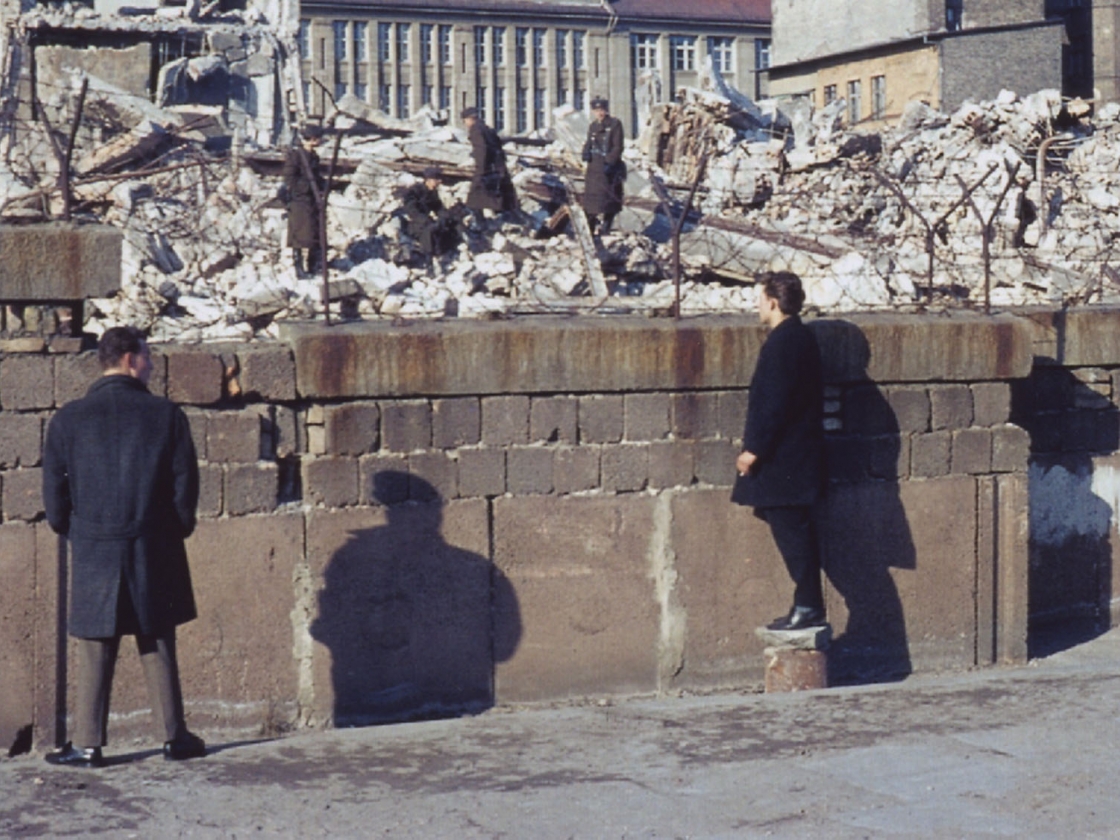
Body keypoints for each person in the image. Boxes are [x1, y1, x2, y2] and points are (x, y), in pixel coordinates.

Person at [41, 326, 205, 767]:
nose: (151, 365)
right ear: (131, 359)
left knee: (96, 643)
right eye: (147, 357)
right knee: (157, 637)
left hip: (94, 543)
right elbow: (184, 486)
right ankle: (174, 738)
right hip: (153, 541)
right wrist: (175, 531)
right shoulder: (167, 415)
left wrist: (74, 531)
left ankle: (89, 744)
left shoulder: (68, 419)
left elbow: (54, 496)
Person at [731, 272, 827, 632]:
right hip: (796, 456)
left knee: (793, 533)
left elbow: (773, 403)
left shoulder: (783, 342)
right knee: (793, 529)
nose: (757, 306)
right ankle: (806, 604)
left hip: (784, 459)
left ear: (772, 301)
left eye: (760, 299)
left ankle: (808, 605)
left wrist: (752, 450)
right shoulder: (798, 336)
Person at [281, 126, 324, 277]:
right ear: (312, 139)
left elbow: (317, 177)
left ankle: (313, 266)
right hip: (299, 200)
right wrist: (306, 187)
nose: (320, 141)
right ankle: (298, 268)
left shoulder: (314, 157)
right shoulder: (296, 156)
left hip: (312, 200)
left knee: (316, 233)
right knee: (298, 236)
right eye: (318, 138)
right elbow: (289, 178)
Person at [461, 107, 517, 217]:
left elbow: (482, 150)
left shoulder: (476, 130)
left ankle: (478, 221)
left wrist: (480, 171)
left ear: (468, 119)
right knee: (500, 196)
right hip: (498, 168)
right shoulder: (487, 129)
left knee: (475, 197)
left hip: (487, 169)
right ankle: (507, 217)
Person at [581, 97, 625, 236]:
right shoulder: (593, 126)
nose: (600, 113)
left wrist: (610, 162)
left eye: (602, 110)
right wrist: (585, 152)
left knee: (609, 200)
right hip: (594, 169)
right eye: (597, 110)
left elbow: (618, 146)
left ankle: (606, 227)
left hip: (608, 169)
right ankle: (590, 229)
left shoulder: (615, 124)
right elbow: (589, 142)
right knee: (591, 202)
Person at [400, 166, 463, 261]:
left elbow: (438, 207)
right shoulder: (414, 191)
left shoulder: (432, 192)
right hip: (415, 224)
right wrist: (426, 220)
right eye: (437, 179)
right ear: (428, 179)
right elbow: (412, 211)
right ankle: (428, 258)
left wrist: (446, 216)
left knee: (450, 224)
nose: (440, 181)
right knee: (430, 230)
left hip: (426, 220)